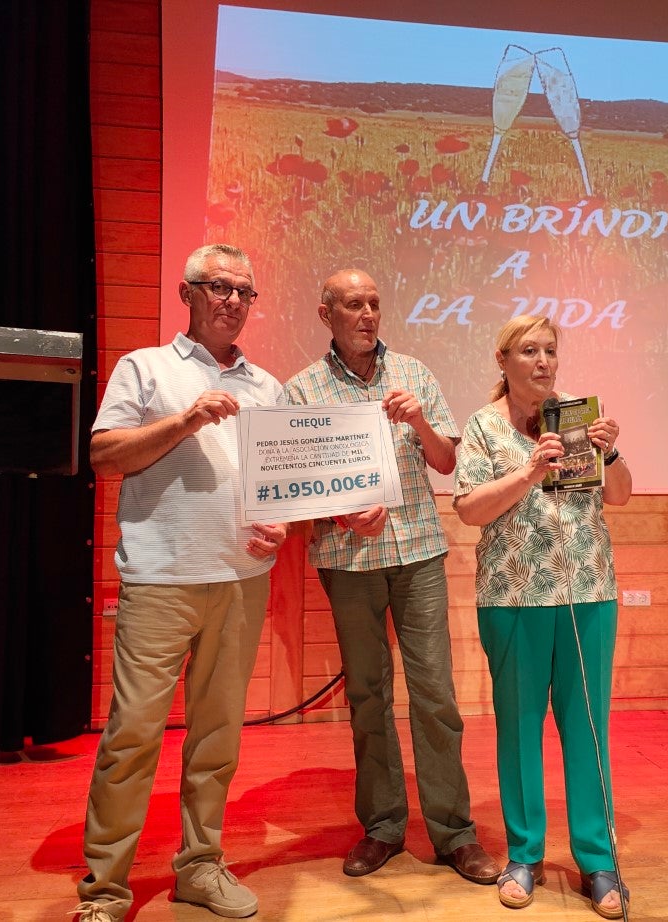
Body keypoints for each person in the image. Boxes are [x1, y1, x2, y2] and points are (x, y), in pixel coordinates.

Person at [74, 244, 287, 922]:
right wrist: (185, 420)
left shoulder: (268, 386)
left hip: (241, 579)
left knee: (217, 738)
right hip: (162, 579)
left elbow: (276, 485)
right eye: (216, 286)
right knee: (131, 736)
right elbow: (105, 455)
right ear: (186, 293)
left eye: (242, 291)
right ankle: (105, 889)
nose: (230, 299)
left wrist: (279, 523)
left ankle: (200, 867)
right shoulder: (146, 368)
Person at [282, 268, 500, 886]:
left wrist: (420, 424)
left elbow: (448, 461)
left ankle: (454, 833)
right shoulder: (303, 390)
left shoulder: (415, 375)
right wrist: (343, 512)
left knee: (435, 695)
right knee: (368, 696)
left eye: (375, 303)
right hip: (347, 559)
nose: (368, 314)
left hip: (418, 553)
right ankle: (381, 826)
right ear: (327, 315)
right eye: (354, 304)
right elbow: (294, 491)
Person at [452, 314, 634, 919]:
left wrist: (612, 452)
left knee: (588, 732)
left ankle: (599, 861)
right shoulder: (482, 426)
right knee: (520, 731)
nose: (543, 362)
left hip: (586, 591)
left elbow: (621, 493)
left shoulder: (578, 417)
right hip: (512, 599)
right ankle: (524, 856)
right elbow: (471, 510)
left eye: (550, 351)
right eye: (529, 351)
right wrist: (530, 470)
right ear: (503, 360)